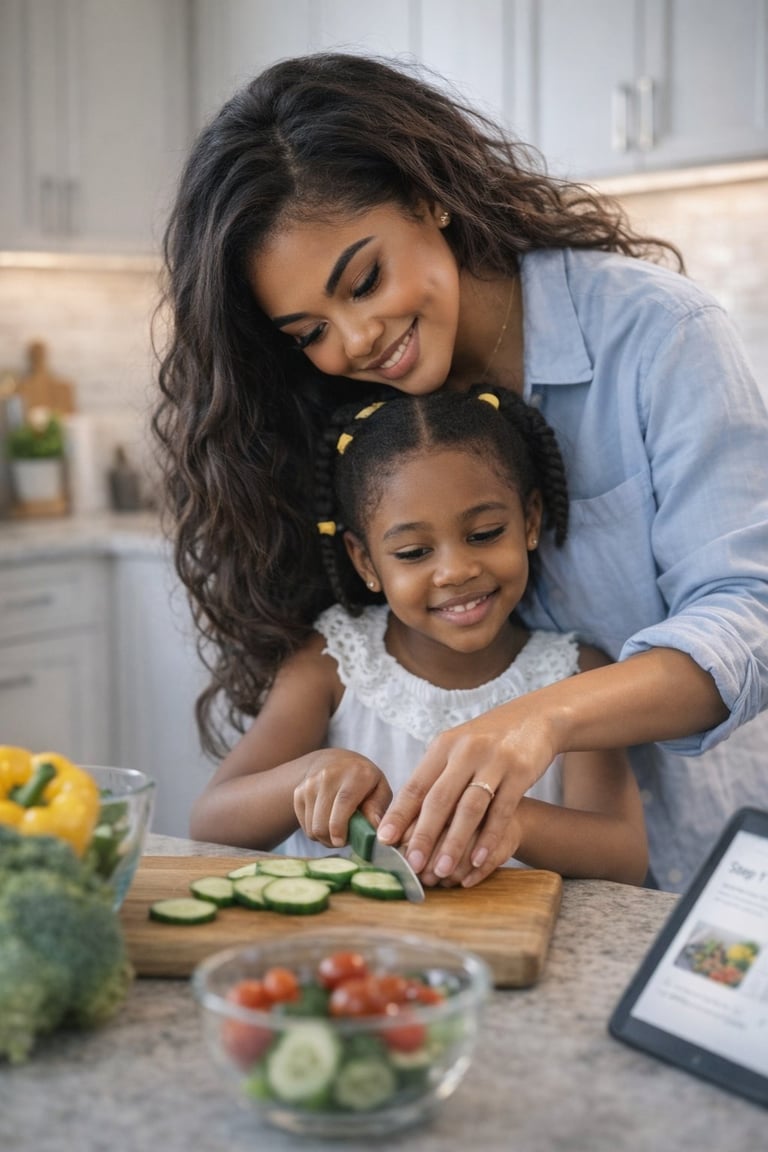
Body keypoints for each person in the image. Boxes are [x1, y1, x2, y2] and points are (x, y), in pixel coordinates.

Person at [154, 51, 768, 894]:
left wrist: (538, 720)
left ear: (427, 193)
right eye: (309, 331)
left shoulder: (657, 336)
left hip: (696, 865)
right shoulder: (346, 418)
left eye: (364, 280)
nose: (355, 341)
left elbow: (751, 613)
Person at [189, 387, 648, 885]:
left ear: (530, 521)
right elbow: (209, 822)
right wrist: (307, 776)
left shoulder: (576, 676)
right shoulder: (332, 664)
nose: (455, 571)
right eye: (412, 553)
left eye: (485, 533)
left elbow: (624, 858)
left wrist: (511, 821)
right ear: (365, 561)